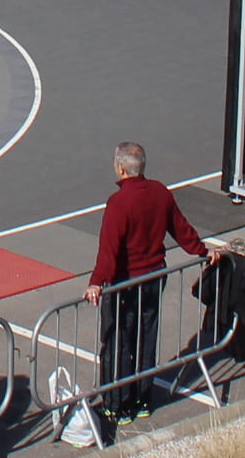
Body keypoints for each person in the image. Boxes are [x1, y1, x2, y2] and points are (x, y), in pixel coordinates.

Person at [84, 144, 204, 416]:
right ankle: (143, 398)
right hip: (154, 276)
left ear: (121, 168)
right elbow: (181, 230)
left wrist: (96, 281)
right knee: (146, 337)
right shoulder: (160, 192)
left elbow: (109, 250)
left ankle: (117, 404)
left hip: (126, 283)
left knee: (118, 340)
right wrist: (204, 251)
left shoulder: (119, 202)